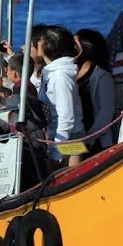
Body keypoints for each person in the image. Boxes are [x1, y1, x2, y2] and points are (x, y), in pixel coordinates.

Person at [30, 24, 86, 168]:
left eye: (42, 40)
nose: (38, 43)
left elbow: (67, 117)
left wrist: (56, 152)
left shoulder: (61, 75)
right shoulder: (50, 72)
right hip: (56, 136)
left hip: (70, 139)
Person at [74, 28, 117, 154]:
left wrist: (89, 138)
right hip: (77, 137)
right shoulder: (71, 74)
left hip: (95, 142)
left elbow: (106, 113)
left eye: (75, 45)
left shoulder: (102, 77)